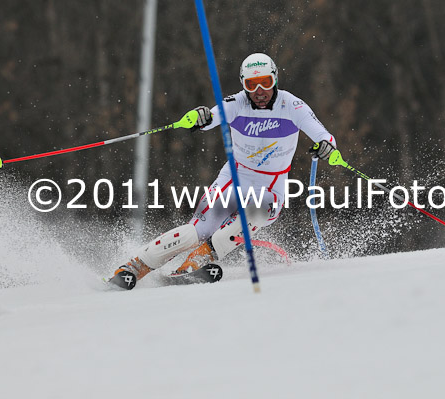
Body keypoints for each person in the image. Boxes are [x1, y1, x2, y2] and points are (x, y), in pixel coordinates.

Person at [109, 53, 338, 289]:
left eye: (266, 83)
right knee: (195, 231)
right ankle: (135, 266)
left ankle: (198, 260)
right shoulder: (237, 103)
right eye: (251, 85)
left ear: (276, 79)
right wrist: (200, 117)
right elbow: (212, 116)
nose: (259, 91)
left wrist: (326, 146)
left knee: (254, 214)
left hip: (270, 187)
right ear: (243, 85)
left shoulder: (292, 105)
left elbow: (323, 135)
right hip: (235, 178)